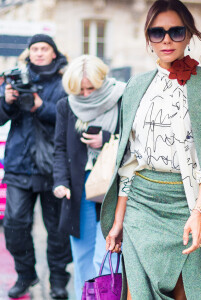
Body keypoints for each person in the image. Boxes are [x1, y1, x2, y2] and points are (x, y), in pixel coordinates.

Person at [100, 0, 201, 299]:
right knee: (137, 294)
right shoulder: (135, 85)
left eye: (175, 31)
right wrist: (118, 221)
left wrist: (198, 211)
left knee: (189, 292)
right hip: (140, 208)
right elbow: (129, 162)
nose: (166, 39)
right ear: (148, 37)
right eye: (157, 32)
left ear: (189, 34)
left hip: (189, 203)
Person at [0, 34, 72, 299]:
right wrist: (6, 101)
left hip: (54, 167)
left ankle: (58, 282)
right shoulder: (14, 78)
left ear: (54, 53)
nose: (39, 53)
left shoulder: (65, 82)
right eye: (35, 49)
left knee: (57, 230)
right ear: (29, 53)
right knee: (15, 225)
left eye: (44, 48)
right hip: (19, 165)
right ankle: (25, 275)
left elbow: (70, 118)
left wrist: (41, 106)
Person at [53, 54, 126, 300]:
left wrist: (104, 140)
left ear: (102, 80)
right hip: (78, 188)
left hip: (112, 187)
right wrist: (60, 182)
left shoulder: (121, 98)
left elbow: (134, 142)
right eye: (79, 89)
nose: (84, 95)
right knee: (82, 257)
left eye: (90, 88)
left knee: (106, 255)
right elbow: (60, 148)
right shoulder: (66, 105)